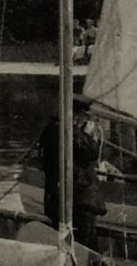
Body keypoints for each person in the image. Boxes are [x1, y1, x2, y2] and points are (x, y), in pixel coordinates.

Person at [39, 97, 102, 248]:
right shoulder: (70, 133)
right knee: (84, 246)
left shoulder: (51, 130)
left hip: (57, 199)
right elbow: (91, 153)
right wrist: (87, 134)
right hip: (78, 202)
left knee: (64, 244)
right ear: (77, 115)